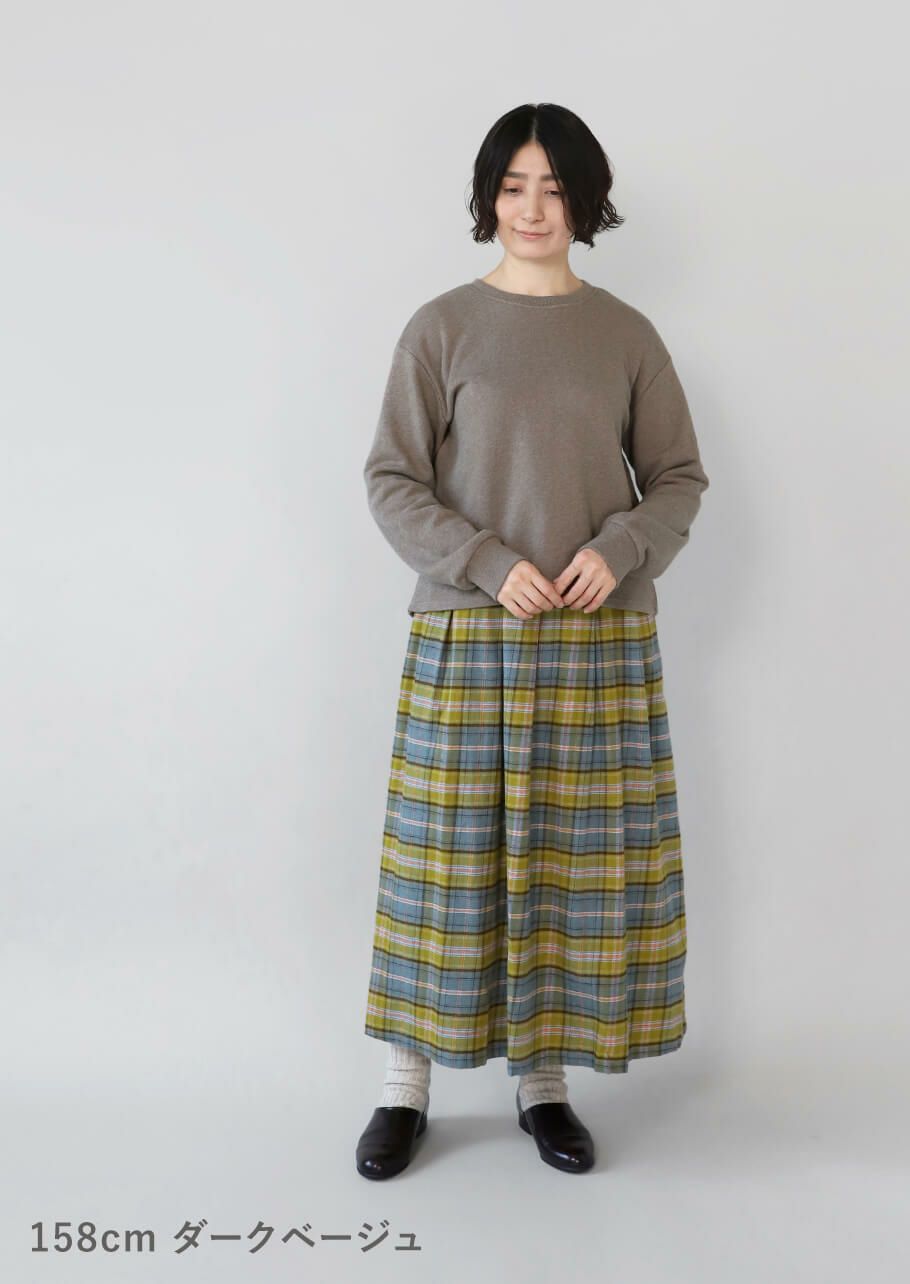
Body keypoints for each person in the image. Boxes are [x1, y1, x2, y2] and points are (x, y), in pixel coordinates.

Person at [355, 102, 708, 1179]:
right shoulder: (440, 328)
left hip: (595, 641)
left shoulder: (627, 336)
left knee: (568, 867)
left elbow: (679, 478)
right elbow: (391, 479)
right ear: (487, 197)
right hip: (468, 637)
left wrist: (623, 547)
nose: (532, 207)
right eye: (512, 185)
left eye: (553, 187)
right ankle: (404, 1089)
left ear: (585, 201)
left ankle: (542, 1086)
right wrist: (483, 561)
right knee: (444, 861)